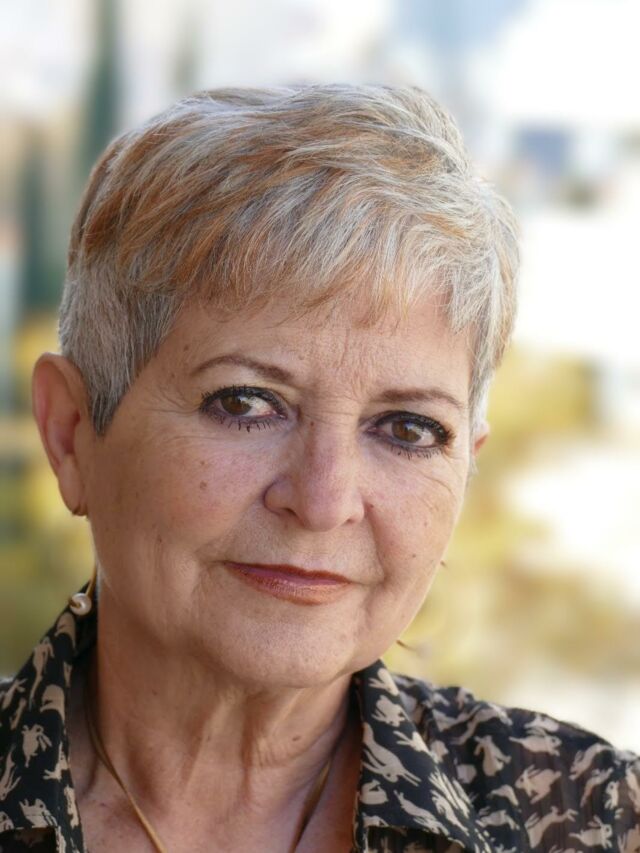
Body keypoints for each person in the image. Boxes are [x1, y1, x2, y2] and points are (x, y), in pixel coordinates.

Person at [0, 84, 638, 853]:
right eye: (246, 403)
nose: (325, 499)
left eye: (407, 428)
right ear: (70, 433)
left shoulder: (598, 818)